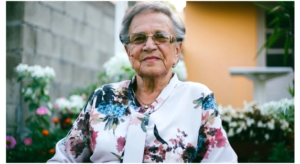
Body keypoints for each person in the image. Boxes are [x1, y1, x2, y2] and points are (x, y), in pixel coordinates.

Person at [47, 2, 238, 164]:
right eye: (138, 38)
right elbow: (64, 157)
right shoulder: (103, 97)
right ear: (129, 51)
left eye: (161, 37)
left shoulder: (198, 99)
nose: (149, 45)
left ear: (177, 51)